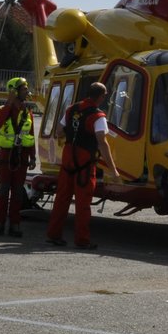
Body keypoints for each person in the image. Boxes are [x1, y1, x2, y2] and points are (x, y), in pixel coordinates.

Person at [46, 81, 125, 250]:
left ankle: (54, 235)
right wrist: (113, 170)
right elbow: (102, 144)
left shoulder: (71, 109)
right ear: (102, 97)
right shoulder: (98, 116)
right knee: (83, 204)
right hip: (84, 165)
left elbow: (59, 131)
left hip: (68, 161)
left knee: (61, 199)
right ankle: (82, 240)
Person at [0, 76, 36, 237]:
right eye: (24, 89)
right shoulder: (1, 110)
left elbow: (30, 135)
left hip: (22, 157)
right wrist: (9, 103)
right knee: (4, 190)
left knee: (18, 192)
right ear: (14, 91)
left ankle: (15, 224)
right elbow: (1, 120)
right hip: (7, 155)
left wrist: (33, 157)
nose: (27, 91)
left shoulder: (27, 111)